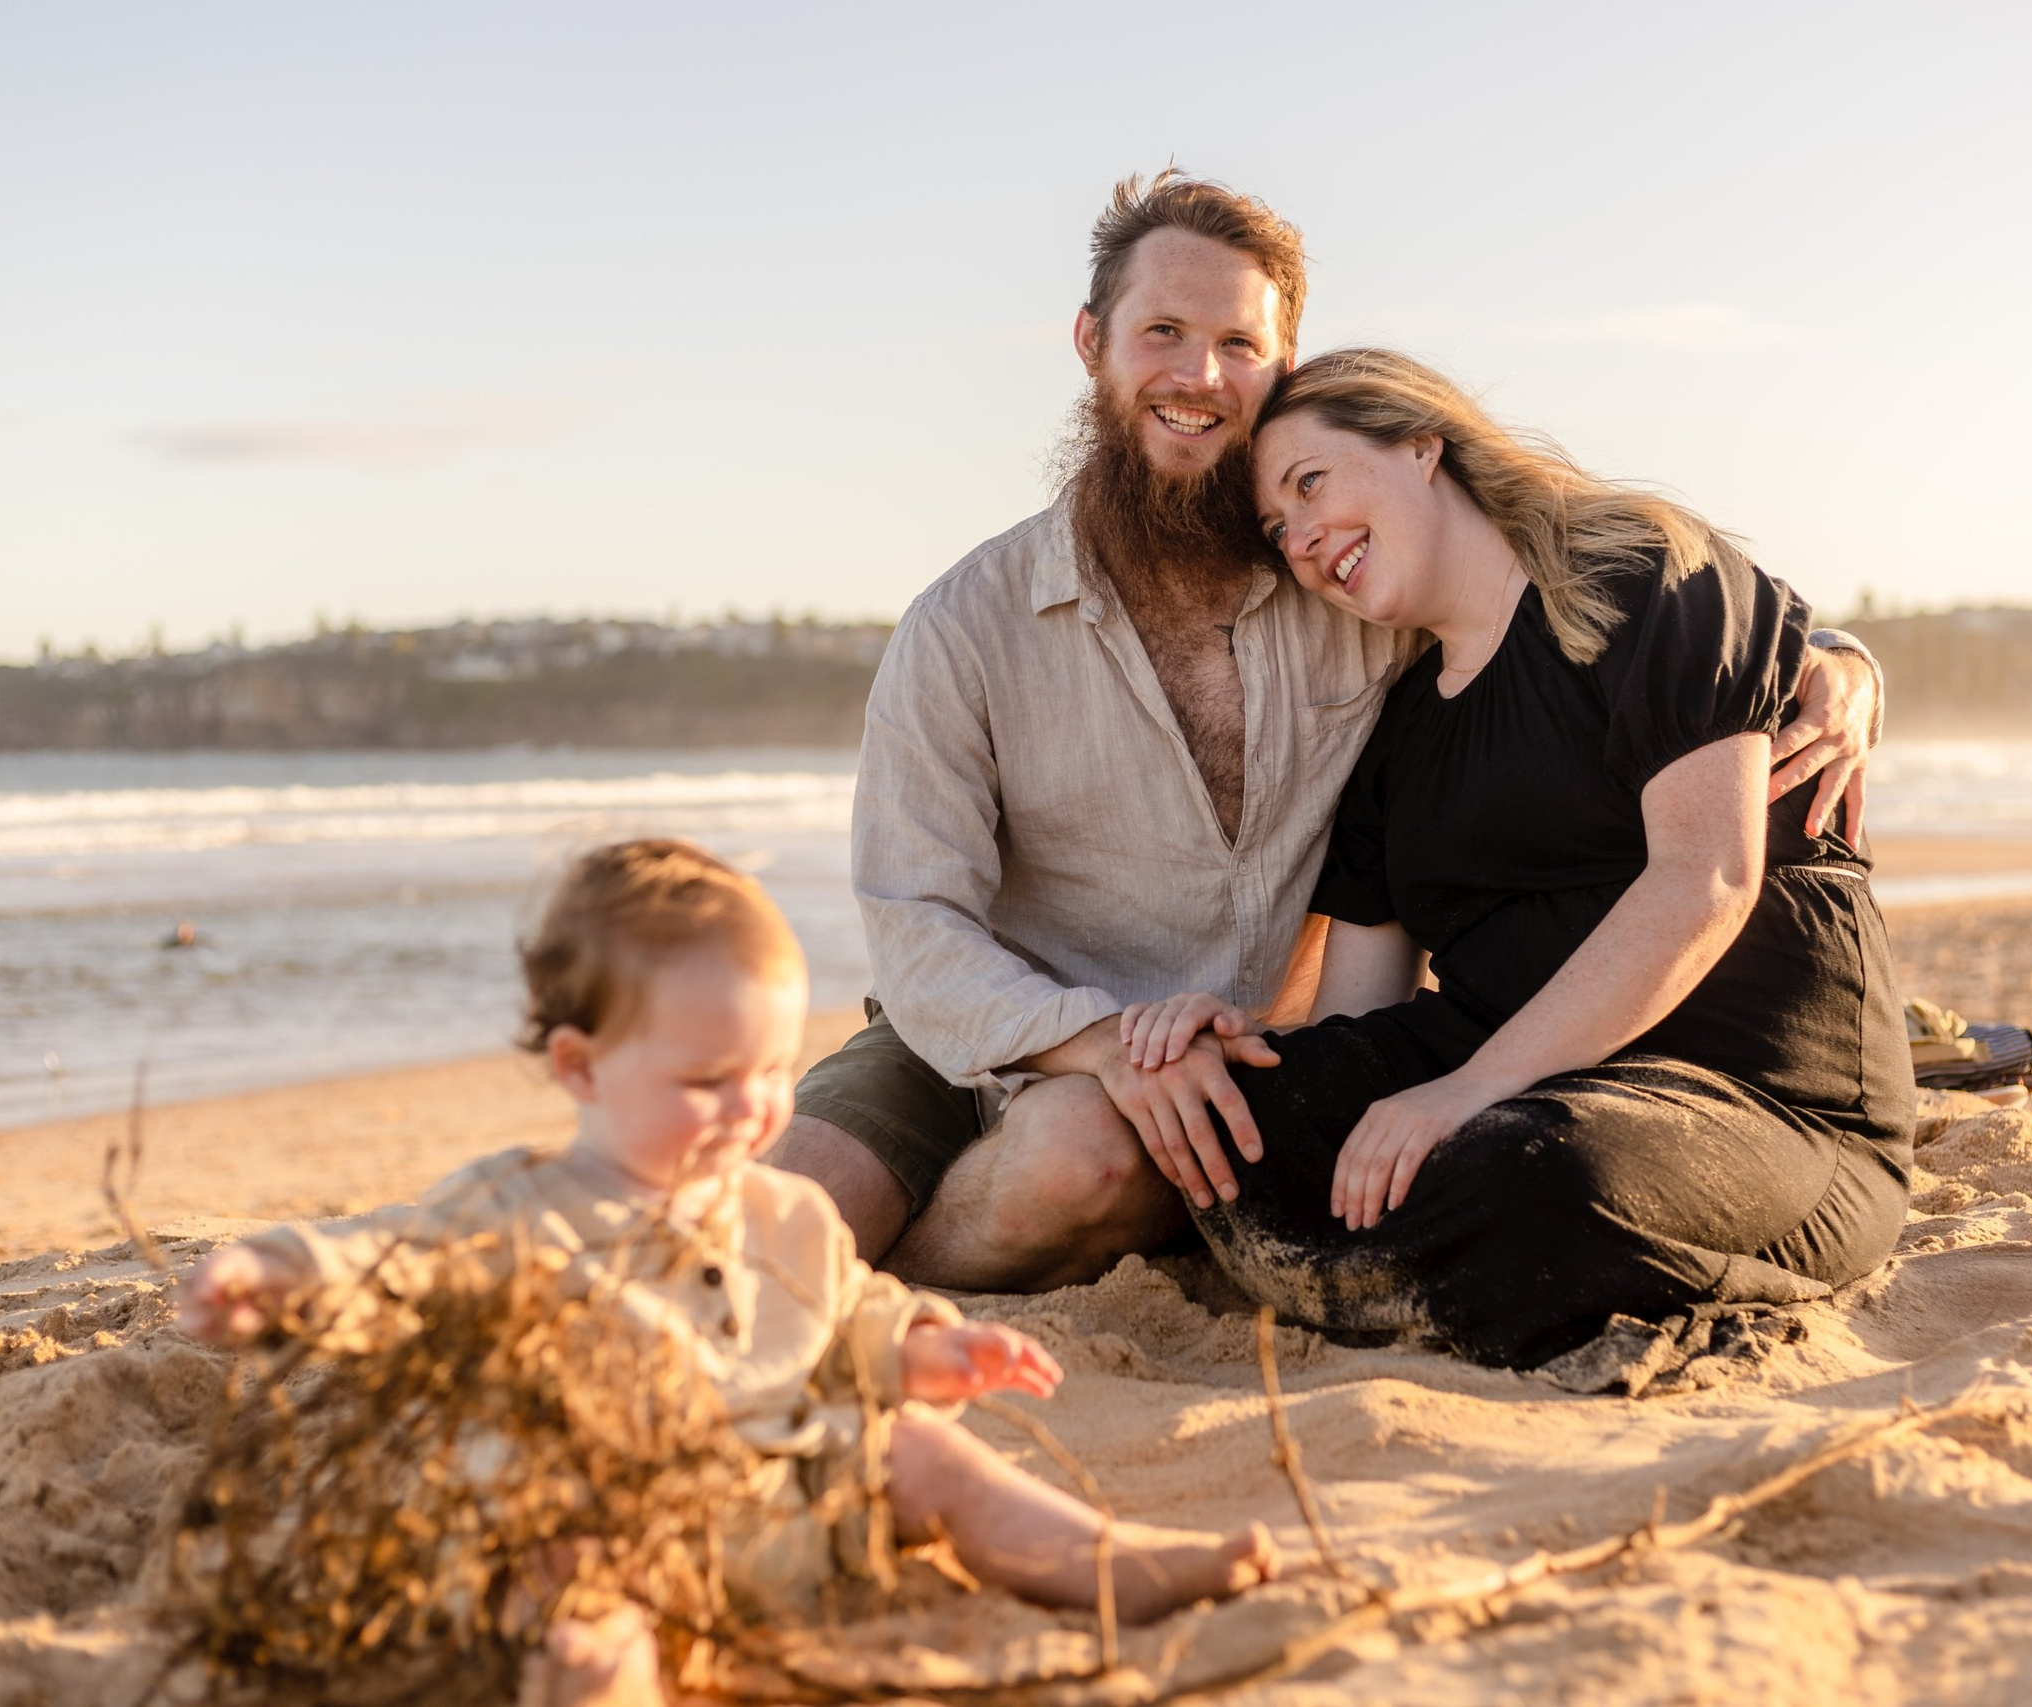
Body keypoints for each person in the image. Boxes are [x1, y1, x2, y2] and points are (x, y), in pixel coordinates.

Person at [776, 171, 1887, 1294]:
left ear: (1283, 368)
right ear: (1091, 342)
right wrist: (1099, 1041)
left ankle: (883, 1308)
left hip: (1202, 1068)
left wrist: (1838, 664)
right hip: (980, 1034)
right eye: (1162, 332)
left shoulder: (1354, 600)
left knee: (1079, 1161)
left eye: (1237, 344)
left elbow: (1611, 607)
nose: (1198, 375)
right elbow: (914, 922)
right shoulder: (965, 625)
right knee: (781, 1221)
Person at [175, 839, 1276, 1695]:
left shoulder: (778, 1210)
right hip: (617, 1532)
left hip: (781, 1507)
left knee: (929, 1455)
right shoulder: (517, 1209)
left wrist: (918, 1350)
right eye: (708, 1081)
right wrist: (275, 1272)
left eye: (770, 1071)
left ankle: (1111, 1564)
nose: (750, 1108)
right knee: (577, 1620)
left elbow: (843, 1311)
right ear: (581, 1068)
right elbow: (388, 1265)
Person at [1121, 350, 1917, 1370]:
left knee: (1539, 1171)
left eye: (1309, 483)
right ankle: (1436, 1273)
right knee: (1248, 1115)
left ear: (1421, 444)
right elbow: (1359, 1020)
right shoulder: (1396, 738)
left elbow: (1707, 879)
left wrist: (1466, 1091)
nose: (1303, 540)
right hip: (1530, 1085)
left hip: (1759, 1099)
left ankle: (1421, 1272)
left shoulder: (1647, 583)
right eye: (1279, 531)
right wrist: (1234, 1041)